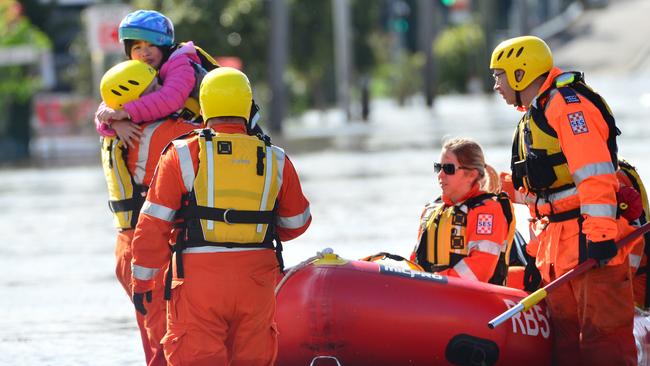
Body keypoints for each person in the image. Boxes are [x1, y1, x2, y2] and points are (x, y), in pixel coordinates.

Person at [130, 67, 312, 365]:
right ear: (248, 106)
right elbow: (297, 223)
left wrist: (143, 283)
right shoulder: (275, 158)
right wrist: (253, 227)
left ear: (203, 106)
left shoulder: (183, 153)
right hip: (257, 278)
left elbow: (153, 226)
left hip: (198, 278)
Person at [491, 35, 642, 365]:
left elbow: (595, 174)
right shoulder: (536, 114)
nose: (496, 85)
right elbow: (550, 193)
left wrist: (600, 236)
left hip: (589, 243)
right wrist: (499, 187)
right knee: (567, 347)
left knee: (605, 344)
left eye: (499, 75)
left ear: (520, 72)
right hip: (557, 248)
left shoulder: (568, 106)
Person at [99, 59, 200, 366]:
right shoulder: (151, 134)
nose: (163, 94)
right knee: (163, 343)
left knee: (157, 339)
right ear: (133, 102)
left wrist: (110, 118)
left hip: (133, 245)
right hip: (146, 249)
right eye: (153, 90)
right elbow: (212, 134)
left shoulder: (120, 132)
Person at [410, 138, 516, 284]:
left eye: (448, 169)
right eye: (438, 167)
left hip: (470, 297)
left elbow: (480, 270)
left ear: (471, 174)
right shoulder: (431, 210)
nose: (440, 175)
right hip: (431, 292)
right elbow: (414, 259)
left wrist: (436, 281)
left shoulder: (486, 212)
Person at [95, 9, 209, 143]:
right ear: (129, 53)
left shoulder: (180, 63)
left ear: (164, 48)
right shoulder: (134, 70)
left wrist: (124, 113)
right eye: (137, 47)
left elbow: (171, 99)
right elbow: (107, 105)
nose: (144, 53)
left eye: (151, 45)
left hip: (209, 133)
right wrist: (114, 122)